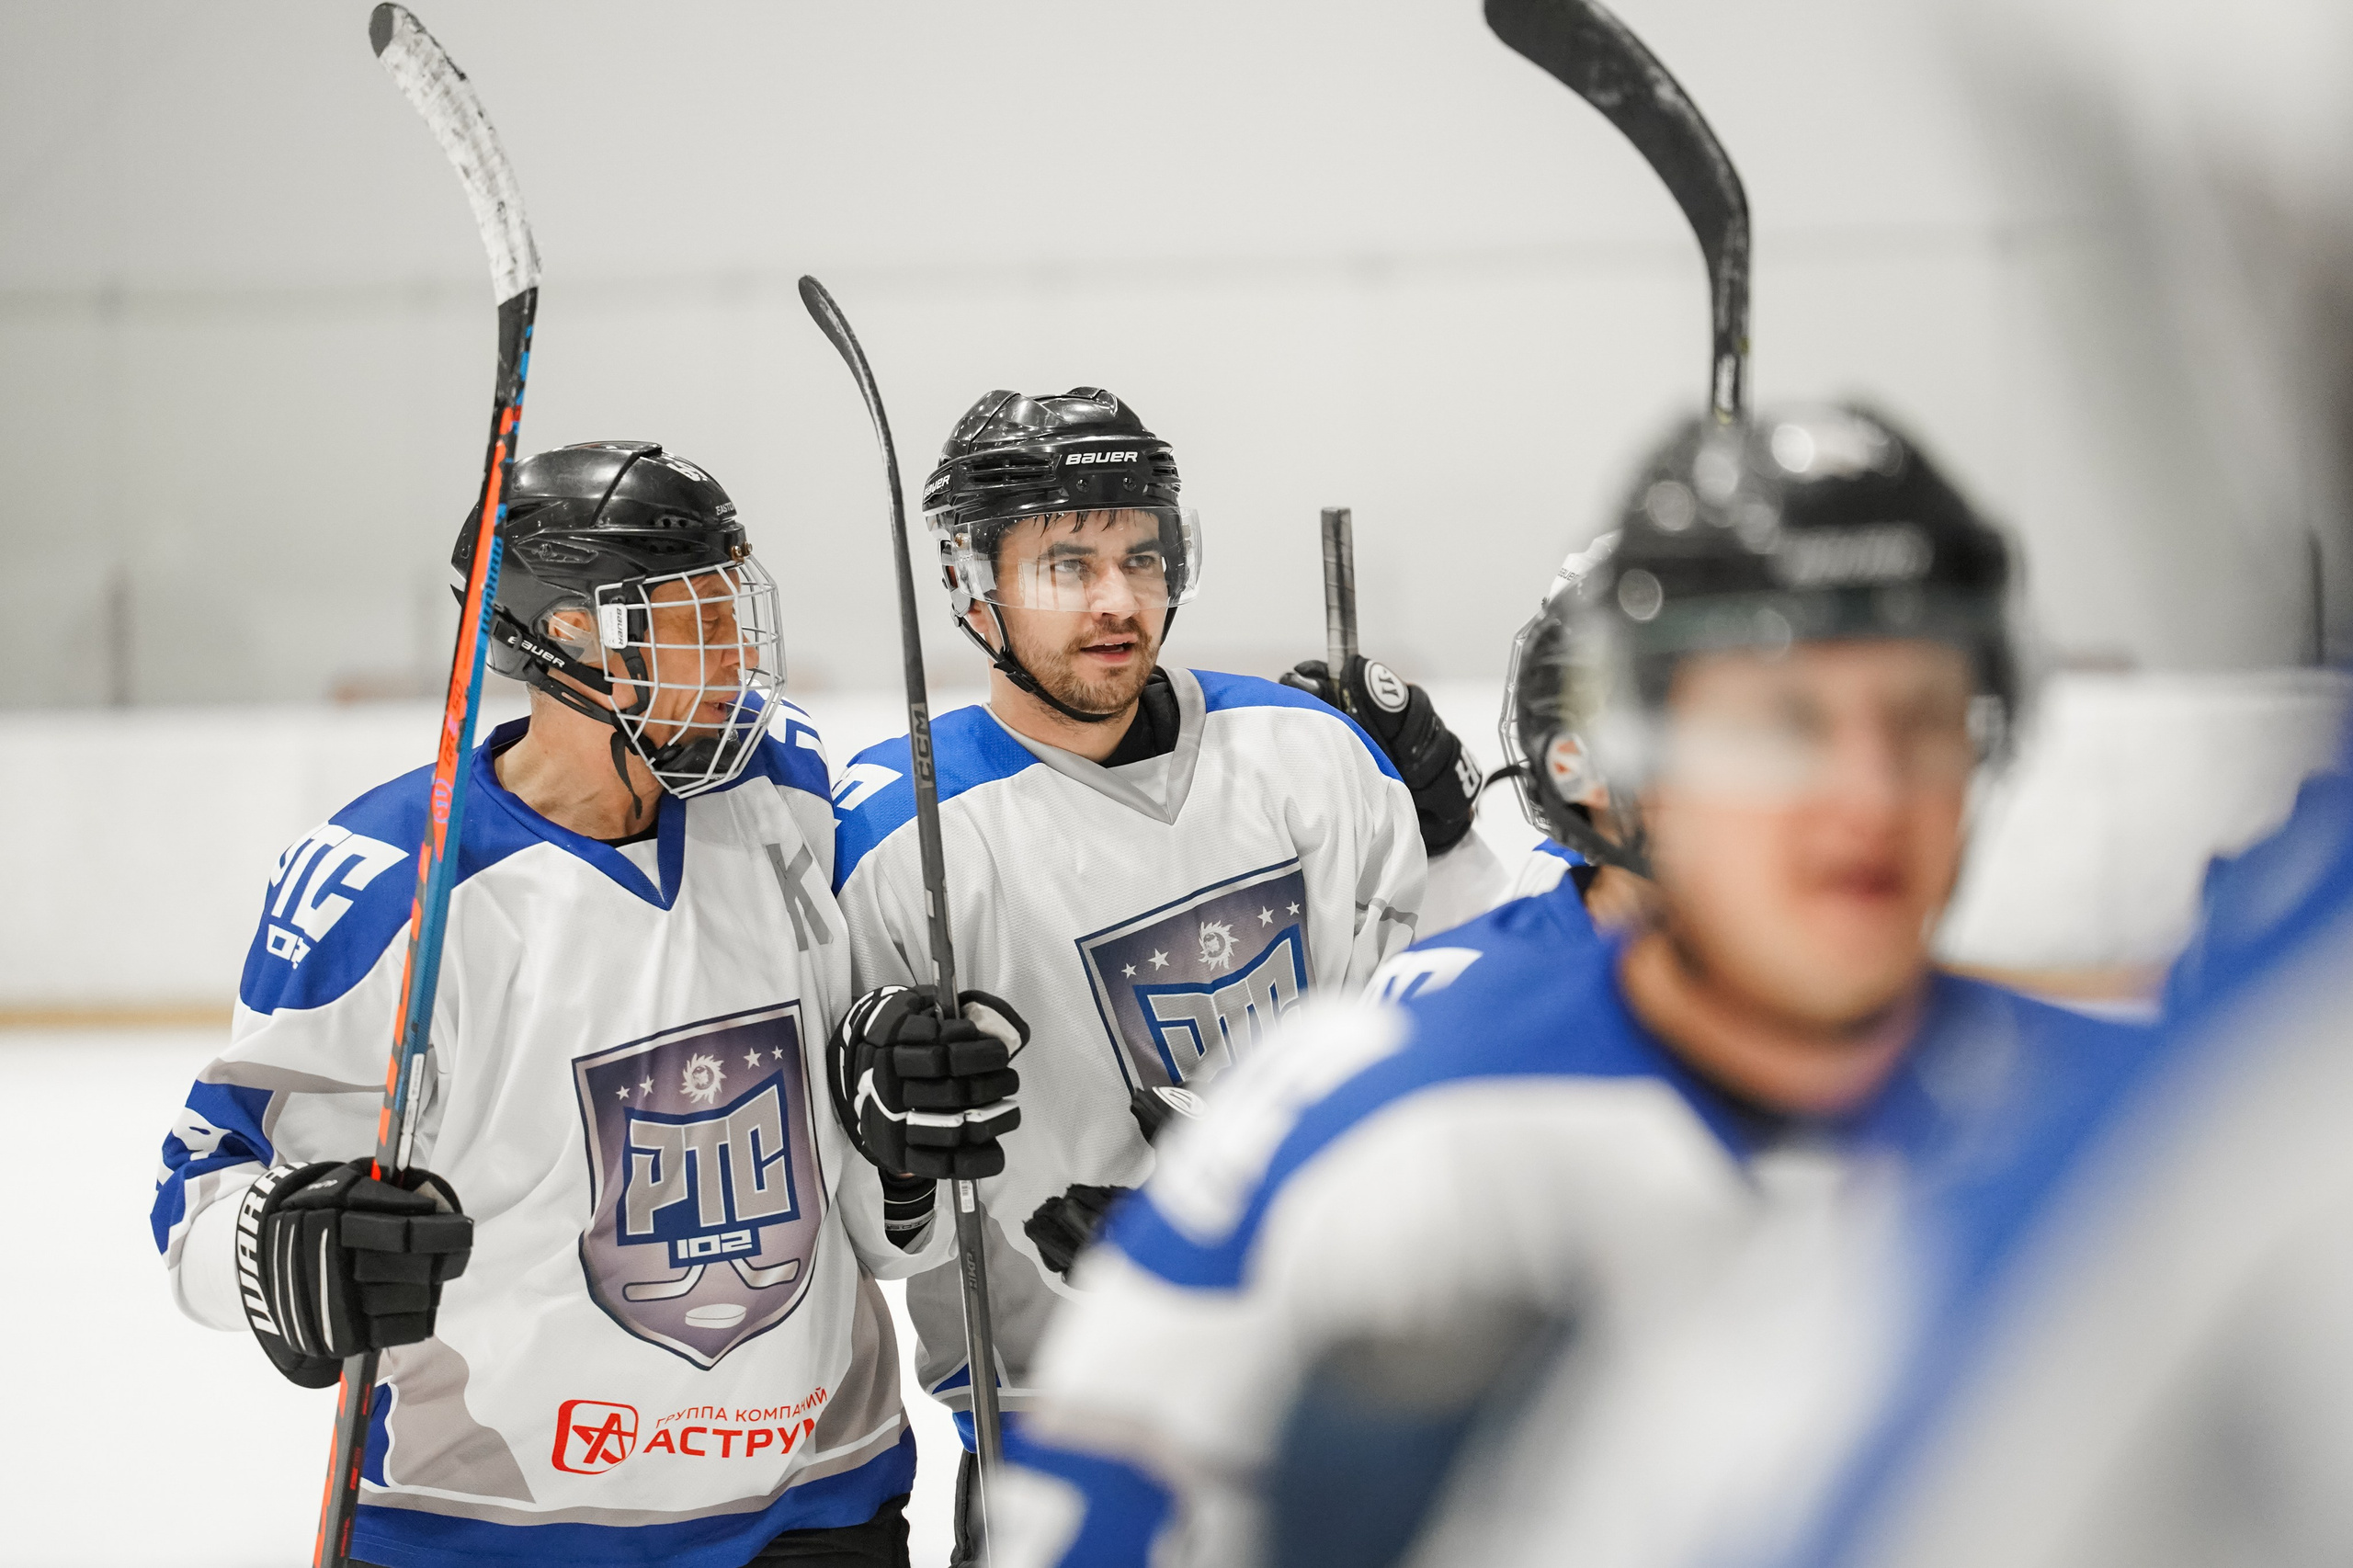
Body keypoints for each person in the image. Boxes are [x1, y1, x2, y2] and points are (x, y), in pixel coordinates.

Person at [989, 403, 2151, 1568]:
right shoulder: (1374, 1130)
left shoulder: (2136, 1121)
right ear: (1638, 746)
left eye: (1924, 717)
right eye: (1784, 723)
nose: (1867, 794)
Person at [151, 442, 945, 1568]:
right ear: (569, 634)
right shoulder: (388, 883)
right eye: (695, 614)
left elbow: (860, 1199)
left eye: (733, 601)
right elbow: (202, 1189)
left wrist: (900, 1144)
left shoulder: (782, 786)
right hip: (486, 1530)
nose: (737, 649)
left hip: (811, 1504)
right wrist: (281, 1247)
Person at [825, 387, 1485, 1555]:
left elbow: (1437, 1072)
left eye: (1142, 555)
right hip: (1068, 1442)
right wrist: (899, 1151)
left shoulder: (1304, 752)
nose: (1119, 600)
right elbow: (887, 1246)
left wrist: (1456, 837)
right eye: (1065, 565)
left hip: (1333, 1410)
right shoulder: (893, 840)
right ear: (971, 583)